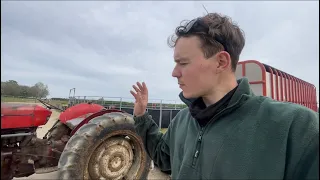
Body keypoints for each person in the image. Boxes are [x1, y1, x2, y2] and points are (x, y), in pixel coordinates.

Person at [130, 13, 319, 180]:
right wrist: (141, 116)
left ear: (221, 62)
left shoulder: (295, 127)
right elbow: (164, 159)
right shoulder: (182, 120)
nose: (174, 73)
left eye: (183, 63)